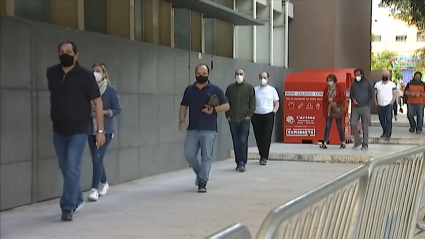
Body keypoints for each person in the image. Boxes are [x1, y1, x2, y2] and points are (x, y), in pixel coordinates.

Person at [47, 41, 105, 221]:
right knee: (66, 168)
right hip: (59, 130)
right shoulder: (52, 73)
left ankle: (67, 207)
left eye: (69, 51)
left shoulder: (85, 76)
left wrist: (100, 130)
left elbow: (97, 102)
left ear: (76, 55)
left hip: (79, 129)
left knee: (72, 168)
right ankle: (78, 198)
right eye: (62, 51)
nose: (65, 54)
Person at [179, 64, 230, 193]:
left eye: (204, 73)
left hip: (209, 129)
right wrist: (182, 120)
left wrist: (213, 109)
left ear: (208, 74)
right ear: (195, 74)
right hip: (193, 128)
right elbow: (183, 106)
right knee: (189, 154)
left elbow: (226, 106)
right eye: (199, 73)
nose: (201, 75)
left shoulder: (215, 89)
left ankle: (203, 182)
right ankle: (202, 174)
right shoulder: (189, 90)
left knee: (206, 156)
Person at [87, 63, 122, 202]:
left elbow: (118, 109)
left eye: (98, 71)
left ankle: (94, 189)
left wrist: (104, 112)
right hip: (91, 129)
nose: (95, 73)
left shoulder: (110, 90)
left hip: (106, 130)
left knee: (97, 157)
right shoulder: (89, 89)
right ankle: (105, 183)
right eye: (93, 71)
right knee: (97, 158)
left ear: (104, 74)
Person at [225, 69, 256, 172]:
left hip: (244, 118)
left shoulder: (249, 88)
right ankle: (238, 162)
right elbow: (226, 101)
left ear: (244, 75)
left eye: (241, 74)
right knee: (236, 140)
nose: (239, 76)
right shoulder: (230, 88)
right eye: (237, 74)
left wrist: (249, 115)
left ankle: (242, 162)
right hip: (233, 118)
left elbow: (253, 102)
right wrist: (228, 115)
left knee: (243, 140)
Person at [251, 72, 280, 165]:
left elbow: (277, 103)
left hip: (268, 114)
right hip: (256, 115)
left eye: (264, 77)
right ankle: (261, 153)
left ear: (268, 78)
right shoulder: (255, 90)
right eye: (261, 77)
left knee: (267, 136)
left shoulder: (272, 90)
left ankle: (264, 156)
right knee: (258, 136)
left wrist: (273, 112)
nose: (263, 79)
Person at [350, 68, 374, 150]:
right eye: (356, 75)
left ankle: (365, 144)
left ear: (362, 75)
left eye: (358, 75)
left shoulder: (367, 83)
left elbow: (372, 94)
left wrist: (369, 105)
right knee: (353, 123)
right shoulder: (353, 84)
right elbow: (351, 94)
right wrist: (353, 99)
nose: (357, 76)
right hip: (356, 107)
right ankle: (358, 140)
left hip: (365, 107)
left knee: (365, 126)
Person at [320, 74, 346, 149]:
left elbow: (343, 97)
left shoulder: (338, 87)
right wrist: (324, 111)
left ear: (334, 81)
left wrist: (334, 100)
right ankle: (324, 142)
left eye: (330, 80)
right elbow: (324, 100)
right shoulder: (326, 89)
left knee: (339, 126)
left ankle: (343, 142)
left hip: (336, 109)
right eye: (328, 80)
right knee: (328, 126)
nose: (329, 82)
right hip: (329, 110)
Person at [374, 70, 397, 140]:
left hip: (388, 104)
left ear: (389, 76)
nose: (385, 76)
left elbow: (395, 94)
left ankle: (388, 134)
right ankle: (385, 131)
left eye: (386, 75)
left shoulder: (392, 84)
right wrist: (376, 102)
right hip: (380, 105)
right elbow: (374, 94)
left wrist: (391, 103)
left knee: (388, 119)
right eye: (384, 74)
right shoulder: (377, 84)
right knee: (381, 120)